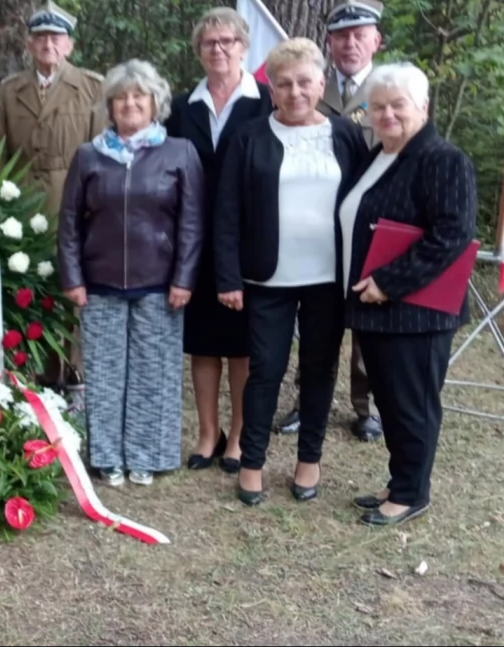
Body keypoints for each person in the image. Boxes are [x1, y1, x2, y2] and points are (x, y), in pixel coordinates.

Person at [213, 38, 369, 506]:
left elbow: (364, 205)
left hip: (328, 278)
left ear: (321, 83)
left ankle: (309, 461)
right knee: (265, 370)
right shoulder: (249, 137)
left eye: (305, 81)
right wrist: (228, 277)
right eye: (284, 84)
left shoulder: (345, 135)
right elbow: (226, 212)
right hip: (266, 278)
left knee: (319, 370)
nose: (296, 91)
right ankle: (253, 461)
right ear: (272, 89)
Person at [342, 63, 478, 526]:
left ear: (422, 106)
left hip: (417, 312)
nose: (387, 114)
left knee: (413, 403)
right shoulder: (379, 154)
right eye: (377, 106)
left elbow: (452, 235)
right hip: (379, 311)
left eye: (398, 104)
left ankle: (412, 494)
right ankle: (400, 480)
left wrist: (389, 282)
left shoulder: (442, 158)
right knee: (392, 399)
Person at [58, 59, 204, 487]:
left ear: (155, 101)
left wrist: (184, 278)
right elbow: (69, 222)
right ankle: (106, 457)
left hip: (160, 284)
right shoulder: (89, 156)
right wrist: (72, 276)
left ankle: (147, 455)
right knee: (104, 373)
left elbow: (192, 222)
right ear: (110, 105)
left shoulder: (179, 152)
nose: (129, 103)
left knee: (152, 372)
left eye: (138, 95)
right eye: (121, 97)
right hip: (99, 283)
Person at [165, 7, 272, 474]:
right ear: (199, 51)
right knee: (204, 342)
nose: (219, 49)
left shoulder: (266, 102)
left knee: (242, 344)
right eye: (210, 43)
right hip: (193, 240)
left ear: (244, 48)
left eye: (228, 41)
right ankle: (209, 434)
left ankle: (241, 437)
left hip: (249, 240)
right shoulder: (178, 107)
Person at [279, 0, 385, 441]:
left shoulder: (389, 89)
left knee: (367, 314)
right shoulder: (311, 86)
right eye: (342, 35)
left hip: (371, 221)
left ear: (376, 40)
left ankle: (368, 407)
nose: (351, 43)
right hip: (317, 223)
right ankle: (307, 400)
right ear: (330, 42)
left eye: (360, 34)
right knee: (317, 319)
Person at [0, 0, 107, 390]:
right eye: (40, 38)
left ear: (70, 45)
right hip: (22, 206)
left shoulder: (92, 87)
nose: (48, 45)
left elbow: (103, 154)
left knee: (73, 288)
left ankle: (73, 371)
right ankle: (39, 370)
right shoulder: (10, 91)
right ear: (29, 44)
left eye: (56, 38)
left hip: (74, 201)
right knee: (31, 289)